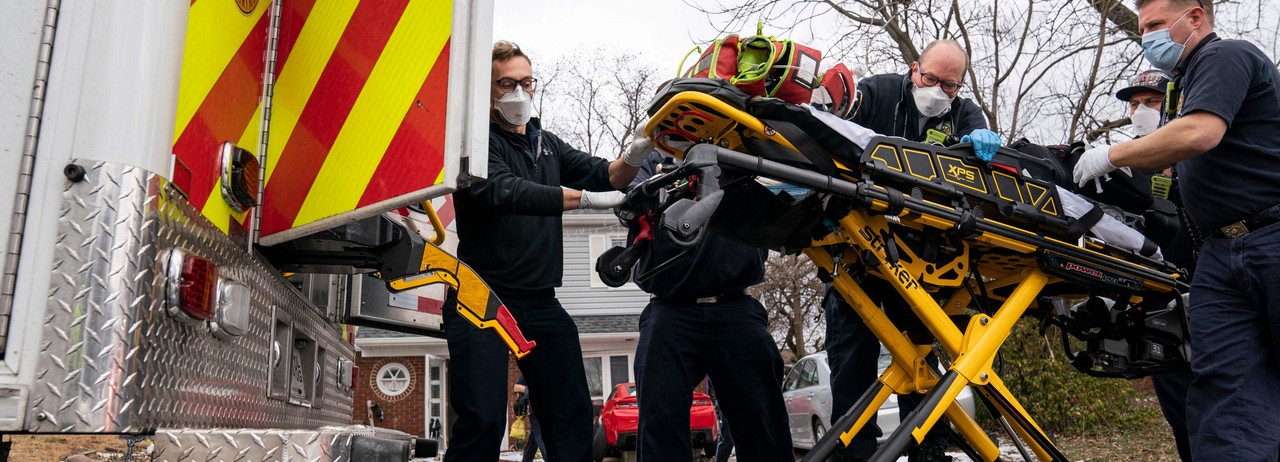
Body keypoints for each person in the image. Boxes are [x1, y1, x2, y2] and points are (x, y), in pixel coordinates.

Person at [1073, 1, 1280, 459]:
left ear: (1194, 16)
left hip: (1271, 236)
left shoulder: (1227, 56)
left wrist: (1114, 154)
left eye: (1156, 25)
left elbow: (1199, 134)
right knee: (1224, 389)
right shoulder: (1183, 87)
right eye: (1143, 27)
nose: (1148, 37)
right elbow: (1170, 158)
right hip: (1221, 253)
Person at [442, 40, 649, 462]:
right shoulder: (475, 145)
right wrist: (584, 200)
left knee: (570, 412)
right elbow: (506, 191)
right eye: (506, 84)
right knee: (482, 418)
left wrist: (636, 152)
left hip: (538, 301)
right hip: (480, 296)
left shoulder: (547, 144)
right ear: (488, 91)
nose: (519, 93)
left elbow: (607, 174)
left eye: (526, 82)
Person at [823, 39, 999, 462]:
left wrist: (988, 147)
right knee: (850, 360)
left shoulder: (964, 115)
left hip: (920, 263)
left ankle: (929, 450)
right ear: (913, 67)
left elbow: (984, 177)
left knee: (921, 359)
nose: (939, 90)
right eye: (930, 78)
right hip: (857, 255)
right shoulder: (878, 93)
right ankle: (855, 453)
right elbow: (833, 131)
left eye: (950, 85)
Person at [630, 151, 793, 462]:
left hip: (735, 305)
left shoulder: (742, 151)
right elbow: (632, 200)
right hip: (669, 310)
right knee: (659, 422)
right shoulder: (655, 164)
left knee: (762, 420)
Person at [514, 376, 546, 462]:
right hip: (535, 410)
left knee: (534, 436)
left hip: (544, 409)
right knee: (540, 435)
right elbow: (516, 386)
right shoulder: (530, 371)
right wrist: (531, 390)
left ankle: (526, 459)